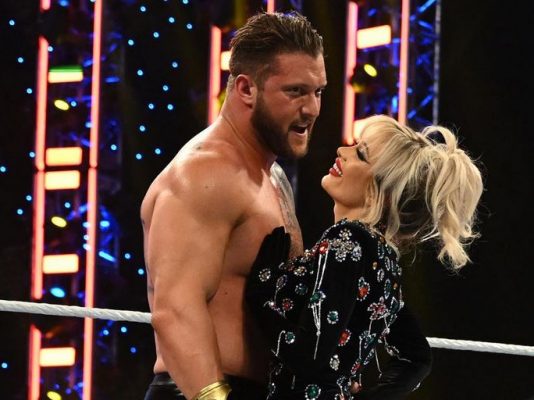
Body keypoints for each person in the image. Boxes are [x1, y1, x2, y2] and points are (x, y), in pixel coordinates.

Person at [141, 12, 327, 400]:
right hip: (200, 390)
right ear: (245, 89)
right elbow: (174, 310)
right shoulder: (205, 173)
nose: (311, 108)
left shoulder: (272, 177)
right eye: (295, 91)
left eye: (318, 92)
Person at [246, 115, 484, 399]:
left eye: (360, 154)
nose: (342, 151)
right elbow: (416, 359)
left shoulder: (346, 240)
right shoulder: (385, 261)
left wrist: (260, 297)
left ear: (379, 192)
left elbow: (309, 357)